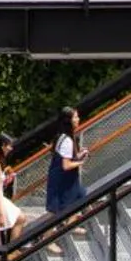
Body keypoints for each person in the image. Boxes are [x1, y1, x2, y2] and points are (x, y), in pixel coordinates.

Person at [45, 107, 88, 251]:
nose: (78, 119)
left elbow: (67, 158)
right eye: (75, 117)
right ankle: (47, 240)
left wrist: (79, 155)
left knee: (80, 195)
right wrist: (80, 162)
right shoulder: (67, 140)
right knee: (54, 210)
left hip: (68, 180)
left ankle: (71, 224)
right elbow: (66, 165)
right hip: (61, 180)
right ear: (68, 121)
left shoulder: (64, 137)